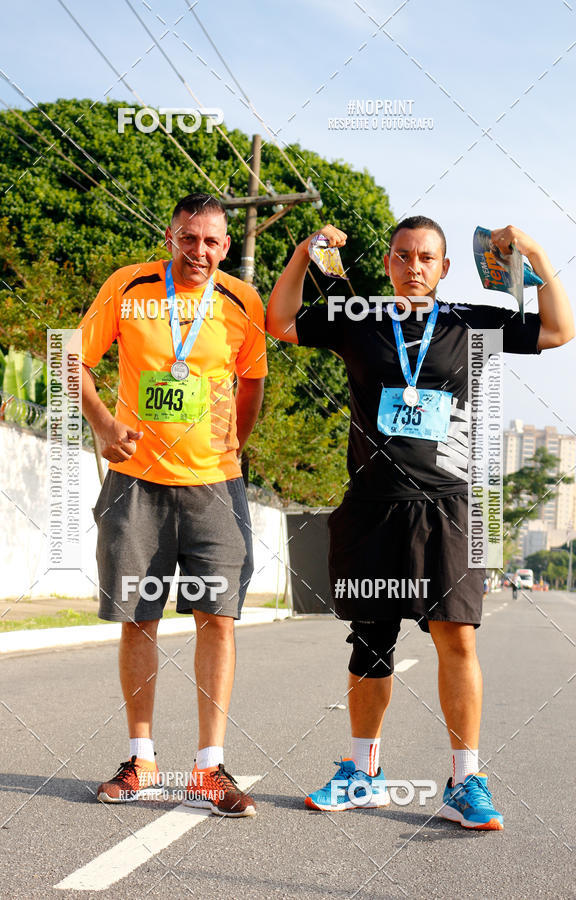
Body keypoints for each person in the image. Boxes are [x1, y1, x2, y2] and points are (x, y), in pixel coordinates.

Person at [266, 216, 573, 830]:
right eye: (403, 256)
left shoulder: (469, 322)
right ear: (387, 263)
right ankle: (362, 774)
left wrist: (534, 252)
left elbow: (559, 330)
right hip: (372, 506)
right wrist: (303, 254)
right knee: (371, 642)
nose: (414, 267)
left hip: (447, 506)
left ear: (444, 267)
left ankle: (465, 780)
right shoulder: (359, 318)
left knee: (456, 637)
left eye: (426, 257)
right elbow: (279, 322)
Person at [78, 193, 267, 816]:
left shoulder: (242, 300)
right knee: (139, 615)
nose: (201, 253)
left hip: (215, 484)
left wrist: (235, 443)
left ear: (225, 247)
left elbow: (253, 377)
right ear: (170, 236)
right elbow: (70, 359)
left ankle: (210, 769)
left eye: (213, 243)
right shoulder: (128, 287)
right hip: (136, 482)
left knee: (218, 617)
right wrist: (104, 425)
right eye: (190, 240)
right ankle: (142, 761)